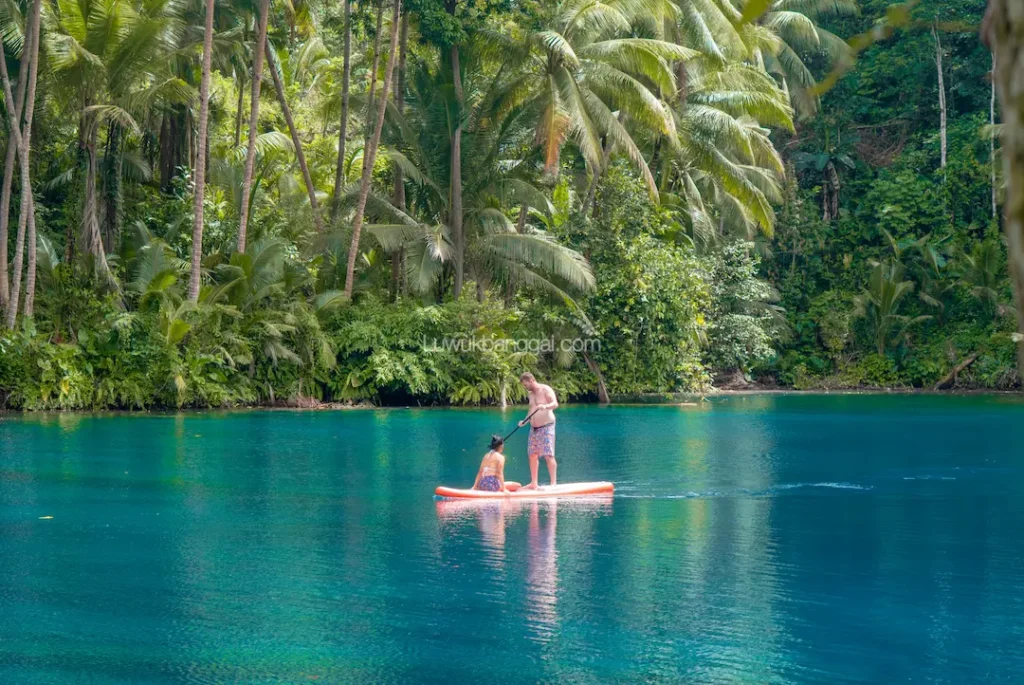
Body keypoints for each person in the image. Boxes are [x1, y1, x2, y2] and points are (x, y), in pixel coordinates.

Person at [518, 372, 558, 489]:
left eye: (526, 385)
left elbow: (555, 404)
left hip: (547, 426)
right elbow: (531, 410)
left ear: (531, 380)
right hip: (533, 428)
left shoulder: (546, 389)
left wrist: (545, 406)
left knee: (548, 455)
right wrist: (524, 421)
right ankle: (534, 483)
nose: (525, 388)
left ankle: (553, 483)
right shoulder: (530, 394)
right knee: (532, 455)